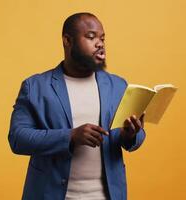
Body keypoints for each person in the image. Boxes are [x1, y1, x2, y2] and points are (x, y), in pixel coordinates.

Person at [8, 12, 146, 200]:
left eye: (102, 38)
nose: (100, 43)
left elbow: (134, 139)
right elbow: (18, 139)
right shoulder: (35, 86)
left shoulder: (118, 86)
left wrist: (130, 134)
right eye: (91, 37)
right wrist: (70, 136)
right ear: (67, 40)